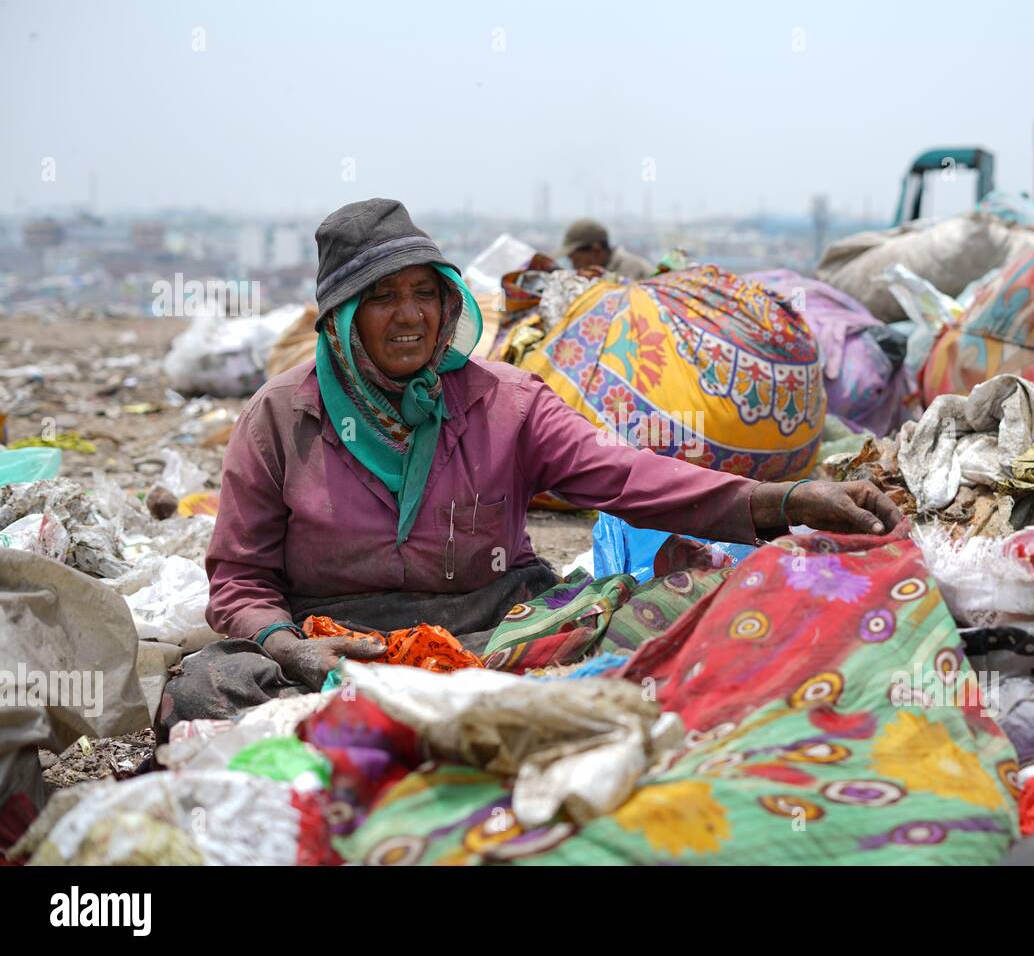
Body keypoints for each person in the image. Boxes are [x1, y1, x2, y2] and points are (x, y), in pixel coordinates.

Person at [171, 198, 902, 727]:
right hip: (338, 643)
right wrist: (290, 648)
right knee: (207, 689)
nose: (410, 315)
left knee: (673, 618)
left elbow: (627, 476)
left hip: (494, 628)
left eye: (425, 293)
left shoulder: (506, 401)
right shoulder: (278, 416)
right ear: (339, 318)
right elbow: (238, 579)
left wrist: (788, 501)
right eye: (382, 296)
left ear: (448, 304)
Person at [558, 218, 655, 279]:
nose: (574, 267)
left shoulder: (634, 271)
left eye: (576, 260)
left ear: (596, 250)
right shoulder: (596, 275)